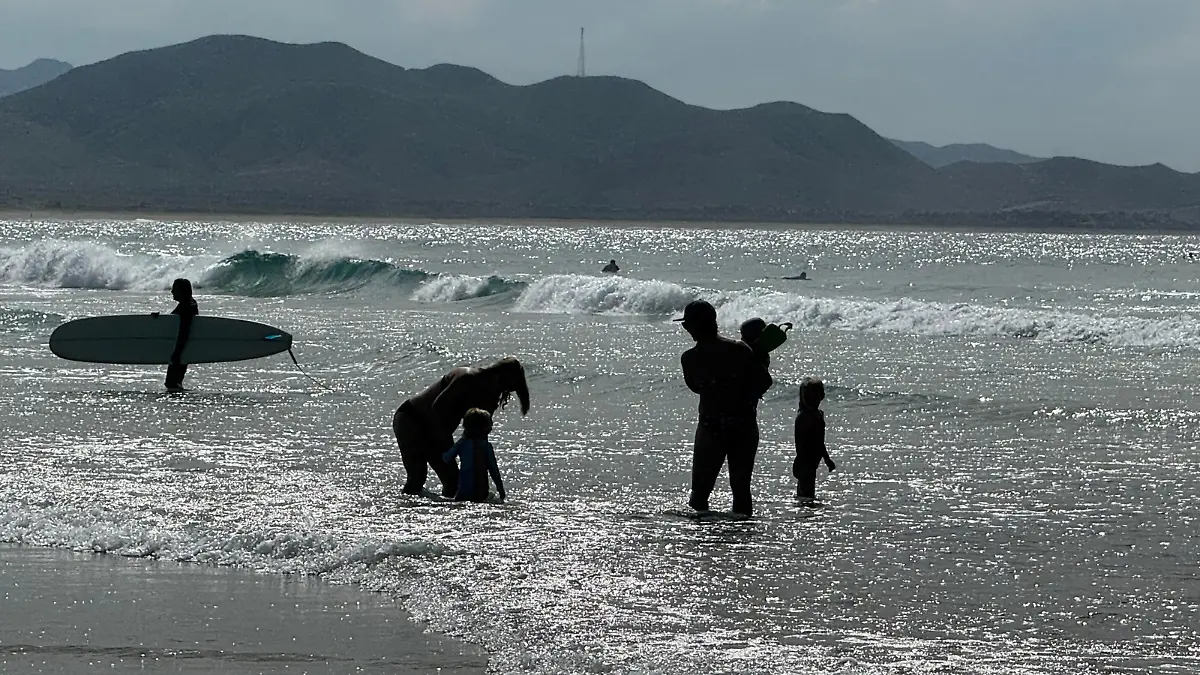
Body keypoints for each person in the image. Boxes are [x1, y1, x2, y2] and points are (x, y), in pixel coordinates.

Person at [676, 300, 772, 516]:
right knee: (741, 490)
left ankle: (702, 542)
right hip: (744, 425)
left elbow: (695, 387)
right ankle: (743, 543)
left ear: (694, 326)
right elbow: (764, 382)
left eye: (686, 324)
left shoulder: (690, 358)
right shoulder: (740, 350)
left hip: (711, 427)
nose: (686, 329)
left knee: (700, 494)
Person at [392, 357, 530, 497]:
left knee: (452, 483)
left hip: (437, 430)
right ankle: (403, 511)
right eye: (504, 386)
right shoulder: (466, 377)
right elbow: (437, 407)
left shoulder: (490, 396)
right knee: (418, 478)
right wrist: (448, 446)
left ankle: (443, 515)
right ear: (498, 375)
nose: (502, 392)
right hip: (411, 419)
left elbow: (479, 433)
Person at [442, 408, 506, 502]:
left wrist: (441, 450)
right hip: (481, 491)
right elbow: (494, 470)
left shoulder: (462, 443)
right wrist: (501, 490)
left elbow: (447, 458)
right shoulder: (486, 446)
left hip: (464, 490)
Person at [794, 377, 835, 505]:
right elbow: (816, 442)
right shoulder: (807, 417)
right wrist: (827, 459)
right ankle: (806, 513)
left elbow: (819, 441)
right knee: (807, 493)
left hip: (808, 461)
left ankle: (804, 510)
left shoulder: (810, 415)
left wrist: (826, 459)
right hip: (806, 461)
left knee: (805, 492)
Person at [152, 278, 198, 391]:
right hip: (181, 347)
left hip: (181, 347)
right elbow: (173, 322)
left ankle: (180, 403)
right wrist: (159, 319)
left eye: (174, 289)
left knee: (172, 382)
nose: (172, 291)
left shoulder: (187, 307)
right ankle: (179, 400)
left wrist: (177, 353)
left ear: (182, 291)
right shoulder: (187, 304)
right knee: (173, 382)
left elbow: (184, 331)